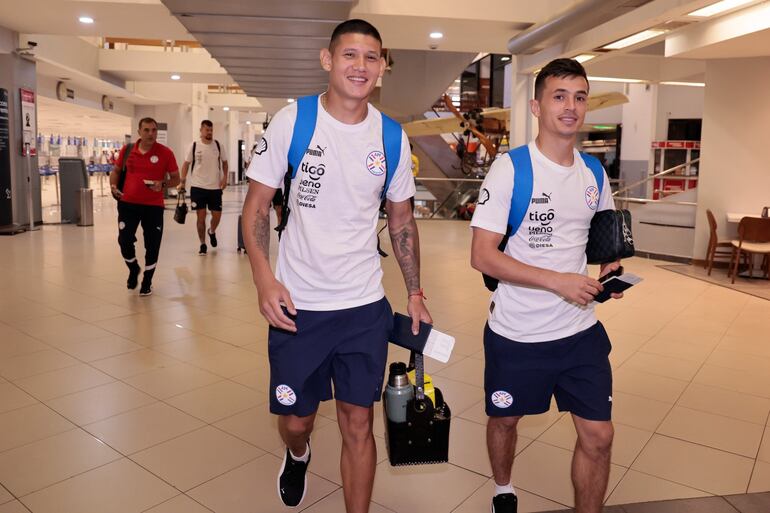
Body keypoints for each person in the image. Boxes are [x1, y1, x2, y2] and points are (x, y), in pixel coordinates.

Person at [241, 19, 431, 513]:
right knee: (298, 419)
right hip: (298, 307)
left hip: (362, 307)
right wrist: (264, 277)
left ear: (382, 68)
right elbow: (257, 208)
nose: (360, 66)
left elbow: (402, 222)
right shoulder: (293, 121)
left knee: (357, 423)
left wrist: (414, 292)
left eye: (371, 58)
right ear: (328, 60)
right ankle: (298, 453)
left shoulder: (391, 137)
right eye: (350, 55)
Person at [470, 58, 623, 513]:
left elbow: (603, 240)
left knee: (600, 436)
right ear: (537, 106)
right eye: (559, 96)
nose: (571, 107)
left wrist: (610, 271)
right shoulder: (510, 170)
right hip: (517, 334)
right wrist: (556, 281)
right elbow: (482, 255)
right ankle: (503, 488)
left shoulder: (594, 173)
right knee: (504, 419)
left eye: (579, 97)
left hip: (579, 333)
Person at [109, 117, 180, 296]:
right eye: (147, 130)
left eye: (154, 130)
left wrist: (162, 184)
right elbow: (116, 172)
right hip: (127, 204)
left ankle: (147, 280)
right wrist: (113, 186)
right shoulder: (127, 150)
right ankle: (133, 268)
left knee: (153, 245)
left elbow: (176, 178)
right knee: (124, 240)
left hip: (153, 207)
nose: (151, 134)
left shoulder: (166, 153)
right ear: (139, 132)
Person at [178, 120, 228, 255]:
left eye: (211, 130)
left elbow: (224, 163)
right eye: (207, 130)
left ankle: (211, 231)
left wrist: (225, 178)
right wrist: (182, 181)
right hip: (198, 187)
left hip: (215, 188)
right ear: (201, 130)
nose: (209, 132)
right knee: (201, 218)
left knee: (217, 216)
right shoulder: (194, 146)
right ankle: (203, 244)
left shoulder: (218, 145)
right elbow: (186, 164)